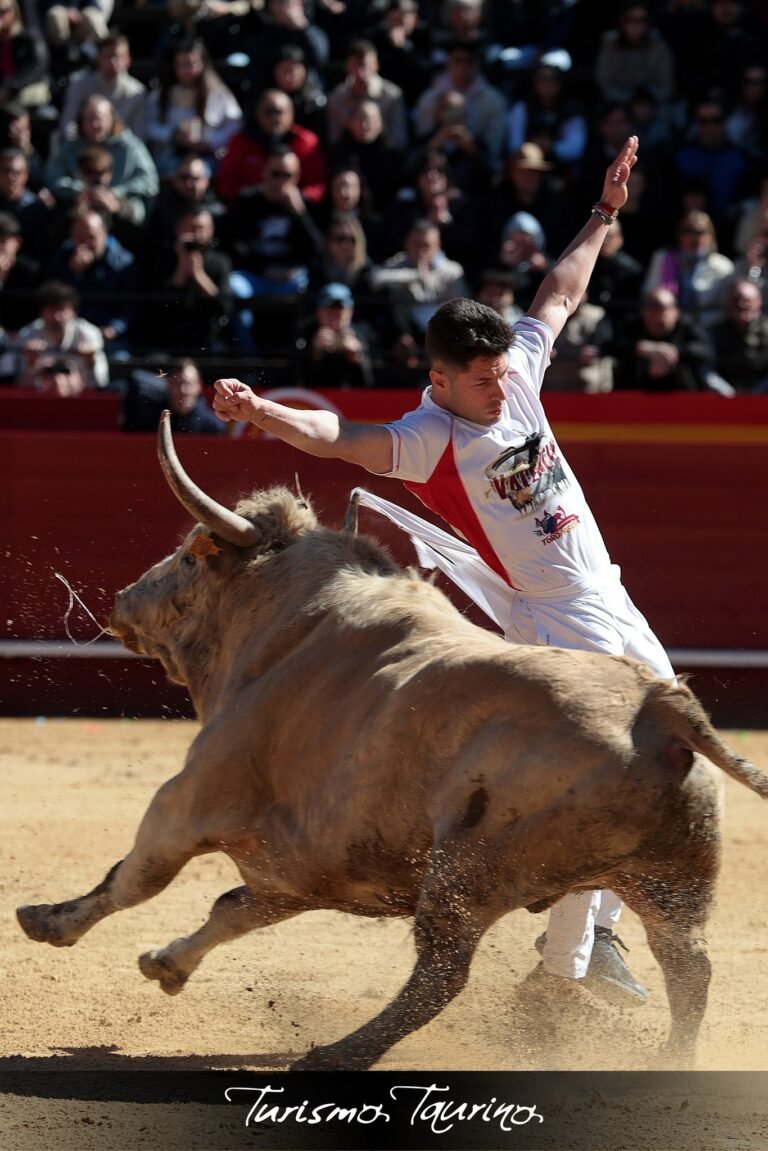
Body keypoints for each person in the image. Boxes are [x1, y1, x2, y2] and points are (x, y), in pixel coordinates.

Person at [211, 135, 667, 1006]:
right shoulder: (430, 438)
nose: (502, 390)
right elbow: (340, 439)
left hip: (604, 592)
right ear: (439, 380)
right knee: (616, 772)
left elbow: (561, 293)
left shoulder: (516, 374)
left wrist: (604, 212)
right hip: (554, 616)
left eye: (503, 372)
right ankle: (573, 962)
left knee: (659, 755)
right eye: (484, 381)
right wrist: (260, 408)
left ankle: (584, 943)